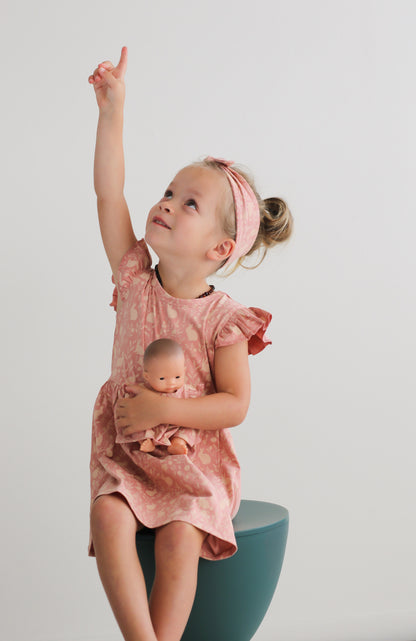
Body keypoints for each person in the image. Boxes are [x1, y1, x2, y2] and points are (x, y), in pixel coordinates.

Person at [88, 46, 293, 641]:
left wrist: (167, 409)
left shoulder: (224, 318)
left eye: (190, 204)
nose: (168, 205)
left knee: (180, 537)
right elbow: (108, 196)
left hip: (192, 467)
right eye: (170, 193)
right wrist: (112, 113)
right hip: (128, 454)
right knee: (106, 514)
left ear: (220, 249)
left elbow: (234, 404)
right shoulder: (132, 279)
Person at [117, 338, 200, 455]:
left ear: (184, 371)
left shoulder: (187, 392)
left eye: (177, 377)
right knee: (135, 424)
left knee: (193, 427)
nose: (171, 383)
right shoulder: (144, 391)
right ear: (147, 376)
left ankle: (178, 442)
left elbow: (195, 411)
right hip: (152, 427)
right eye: (162, 378)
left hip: (176, 427)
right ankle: (145, 441)